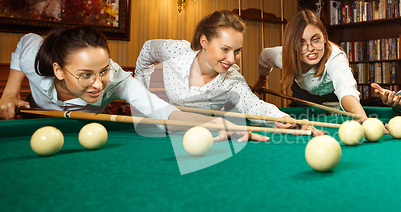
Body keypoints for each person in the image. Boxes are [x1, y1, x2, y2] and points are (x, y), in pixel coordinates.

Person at [0, 26, 247, 139]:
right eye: (86, 75)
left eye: (104, 70)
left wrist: (214, 122)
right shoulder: (37, 60)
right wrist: (10, 92)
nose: (98, 85)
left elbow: (161, 112)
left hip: (79, 127)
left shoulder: (117, 80)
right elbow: (25, 41)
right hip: (36, 115)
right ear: (59, 70)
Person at [134, 10, 325, 137]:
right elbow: (148, 49)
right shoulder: (176, 50)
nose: (232, 59)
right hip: (148, 124)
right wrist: (139, 91)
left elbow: (254, 105)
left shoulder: (231, 80)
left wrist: (287, 121)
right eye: (225, 49)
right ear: (204, 42)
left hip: (182, 131)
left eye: (237, 51)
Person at [253, 8, 368, 121]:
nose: (311, 48)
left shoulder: (335, 58)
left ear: (324, 36)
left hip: (333, 107)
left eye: (316, 39)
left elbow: (347, 92)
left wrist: (361, 119)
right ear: (293, 45)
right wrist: (262, 79)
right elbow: (265, 56)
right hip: (301, 104)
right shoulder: (286, 56)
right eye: (302, 42)